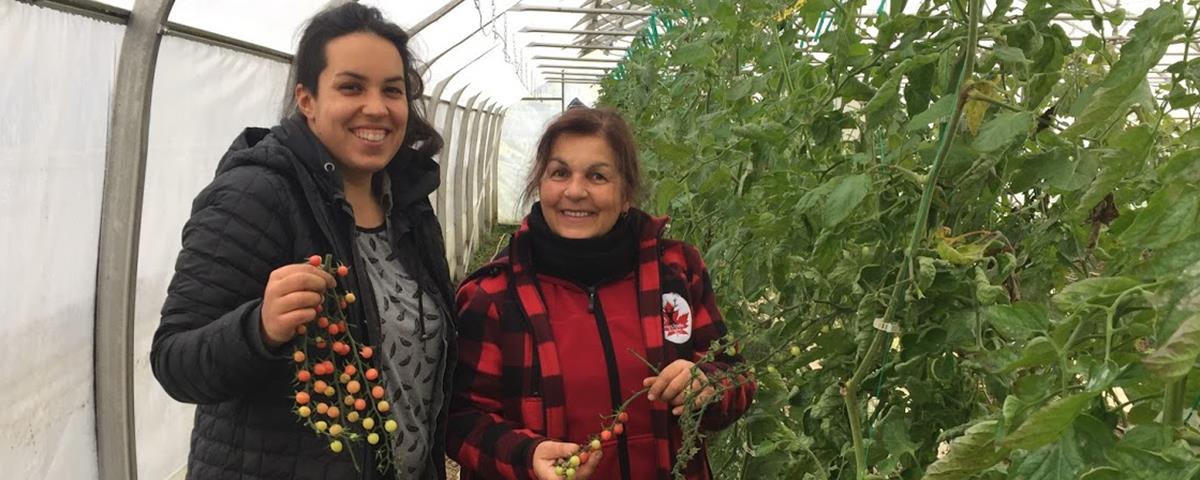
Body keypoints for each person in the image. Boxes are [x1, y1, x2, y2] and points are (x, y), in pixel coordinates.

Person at [150, 4, 456, 479]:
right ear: (307, 100)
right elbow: (174, 361)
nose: (376, 107)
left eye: (392, 91)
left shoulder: (408, 204)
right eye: (351, 87)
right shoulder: (257, 194)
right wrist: (261, 328)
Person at [447, 107, 755, 480]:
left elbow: (736, 378)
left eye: (597, 176)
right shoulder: (494, 294)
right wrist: (527, 457)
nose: (575, 191)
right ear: (540, 183)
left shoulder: (676, 271)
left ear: (626, 193)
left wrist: (707, 385)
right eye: (560, 173)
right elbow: (458, 418)